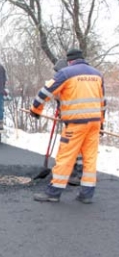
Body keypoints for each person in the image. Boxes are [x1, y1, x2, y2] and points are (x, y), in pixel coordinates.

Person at [30, 48, 105, 204]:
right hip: (94, 124)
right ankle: (86, 195)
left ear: (69, 61)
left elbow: (45, 92)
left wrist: (35, 109)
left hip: (76, 125)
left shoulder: (66, 73)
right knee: (89, 159)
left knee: (65, 157)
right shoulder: (97, 74)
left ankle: (53, 192)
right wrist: (102, 124)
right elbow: (103, 102)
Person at [52, 56, 83, 187]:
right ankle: (74, 170)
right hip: (73, 118)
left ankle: (78, 172)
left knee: (75, 145)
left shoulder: (71, 81)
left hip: (77, 119)